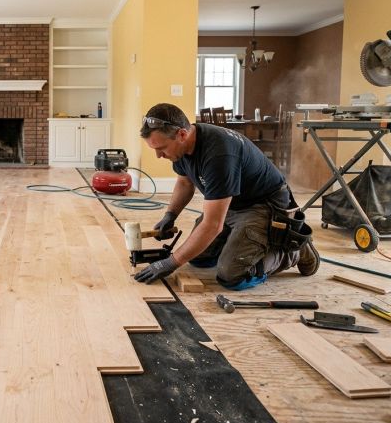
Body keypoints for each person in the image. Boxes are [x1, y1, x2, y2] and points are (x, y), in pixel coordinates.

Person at [133, 103, 319, 289]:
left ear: (182, 134)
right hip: (232, 203)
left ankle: (293, 251)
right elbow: (185, 182)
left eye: (162, 148)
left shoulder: (218, 154)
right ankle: (241, 243)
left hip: (263, 206)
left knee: (232, 275)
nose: (158, 155)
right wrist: (171, 214)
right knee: (199, 258)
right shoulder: (182, 148)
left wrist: (171, 262)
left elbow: (212, 225)